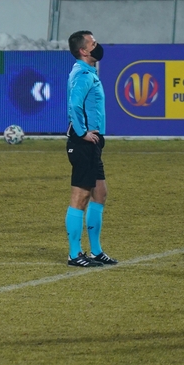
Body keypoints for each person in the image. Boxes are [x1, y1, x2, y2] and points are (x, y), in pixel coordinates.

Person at [64, 30, 117, 268]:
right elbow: (74, 104)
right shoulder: (83, 75)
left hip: (93, 142)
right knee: (81, 196)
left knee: (100, 193)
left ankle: (96, 251)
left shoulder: (88, 72)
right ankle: (74, 254)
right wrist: (82, 132)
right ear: (83, 51)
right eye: (93, 43)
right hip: (83, 143)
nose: (97, 45)